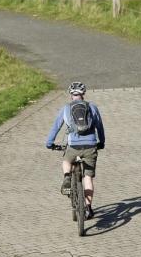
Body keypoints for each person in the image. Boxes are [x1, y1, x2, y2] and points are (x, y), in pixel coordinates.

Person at [45, 81, 105, 220]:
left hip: (73, 146)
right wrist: (101, 143)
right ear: (83, 93)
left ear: (71, 94)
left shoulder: (65, 109)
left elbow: (55, 127)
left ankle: (67, 176)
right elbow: (100, 128)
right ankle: (88, 208)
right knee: (88, 178)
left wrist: (50, 144)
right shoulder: (92, 107)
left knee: (67, 160)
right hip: (90, 146)